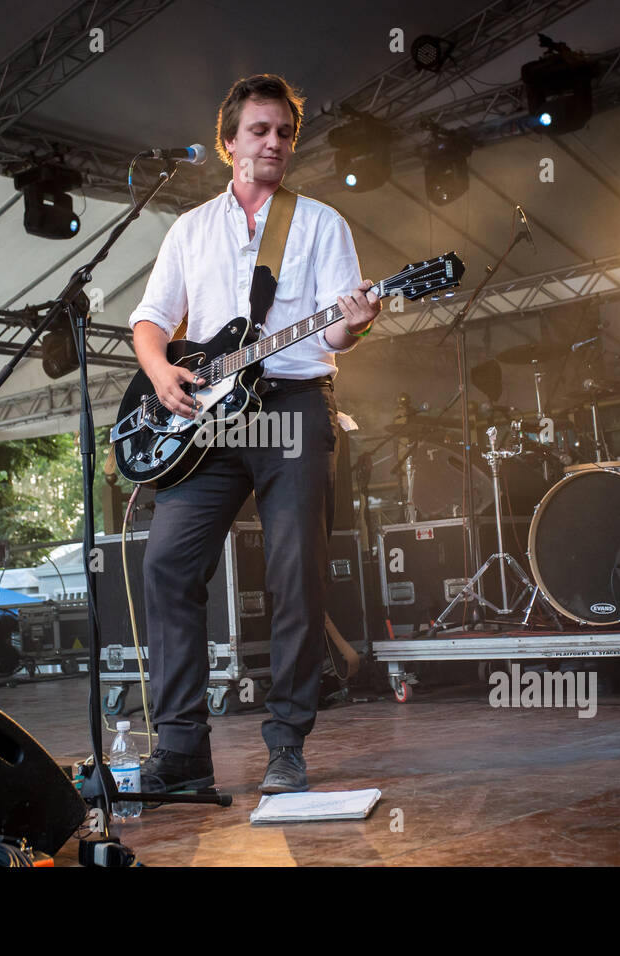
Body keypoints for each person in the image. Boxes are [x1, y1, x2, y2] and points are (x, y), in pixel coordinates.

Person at [128, 74, 380, 795]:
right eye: (260, 131)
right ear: (229, 141)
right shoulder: (190, 228)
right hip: (207, 419)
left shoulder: (321, 223)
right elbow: (150, 319)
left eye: (284, 134)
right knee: (167, 566)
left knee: (293, 574)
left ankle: (286, 743)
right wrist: (160, 373)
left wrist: (356, 324)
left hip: (294, 406)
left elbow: (333, 326)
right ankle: (179, 753)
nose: (273, 143)